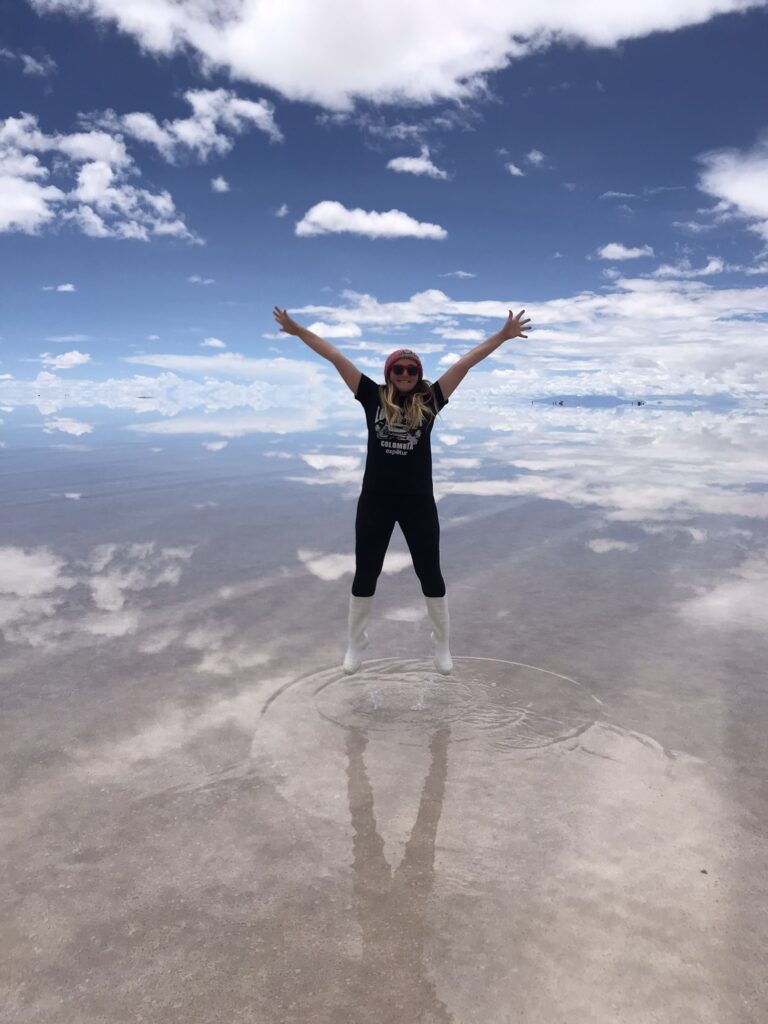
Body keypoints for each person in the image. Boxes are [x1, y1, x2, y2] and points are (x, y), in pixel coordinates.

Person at [272, 305, 531, 676]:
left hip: (417, 504)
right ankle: (355, 642)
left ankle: (441, 644)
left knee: (431, 574)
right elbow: (334, 356)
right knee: (366, 573)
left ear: (419, 375)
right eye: (399, 369)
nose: (405, 374)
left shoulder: (430, 401)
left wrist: (501, 337)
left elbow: (464, 364)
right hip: (375, 501)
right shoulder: (371, 397)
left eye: (412, 370)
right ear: (389, 374)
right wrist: (298, 331)